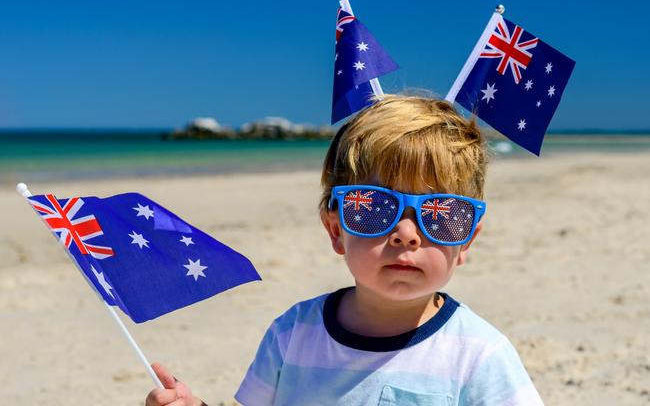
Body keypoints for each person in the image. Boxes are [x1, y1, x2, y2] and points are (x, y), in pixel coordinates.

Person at [145, 95, 544, 405]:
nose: (407, 234)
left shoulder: (479, 354)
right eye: (373, 208)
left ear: (466, 240)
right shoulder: (294, 332)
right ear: (336, 229)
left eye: (441, 214)